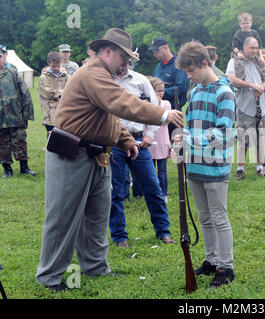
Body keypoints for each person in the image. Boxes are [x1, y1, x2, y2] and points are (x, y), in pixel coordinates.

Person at [35, 28, 183, 292]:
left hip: (95, 155)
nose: (127, 64)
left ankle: (95, 268)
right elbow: (120, 103)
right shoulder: (94, 73)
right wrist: (162, 115)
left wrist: (125, 140)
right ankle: (50, 277)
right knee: (63, 217)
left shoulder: (102, 75)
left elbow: (107, 117)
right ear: (107, 52)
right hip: (72, 154)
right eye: (123, 58)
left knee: (96, 216)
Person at [173, 41, 236, 288]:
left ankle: (226, 267)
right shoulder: (195, 91)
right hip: (195, 165)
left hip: (216, 165)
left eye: (192, 71)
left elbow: (223, 132)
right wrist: (180, 137)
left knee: (219, 217)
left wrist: (191, 141)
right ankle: (211, 260)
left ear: (205, 63)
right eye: (186, 73)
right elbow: (190, 125)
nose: (189, 76)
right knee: (204, 216)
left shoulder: (225, 93)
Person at [109, 64, 176, 249]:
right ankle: (119, 237)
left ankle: (163, 231)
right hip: (113, 141)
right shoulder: (105, 79)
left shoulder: (140, 80)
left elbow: (156, 108)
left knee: (152, 187)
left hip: (139, 140)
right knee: (115, 192)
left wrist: (150, 135)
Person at [226, 36, 265, 179]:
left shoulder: (260, 62)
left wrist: (261, 87)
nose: (254, 50)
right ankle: (240, 168)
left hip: (263, 106)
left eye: (256, 48)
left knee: (262, 137)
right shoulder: (234, 61)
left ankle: (260, 166)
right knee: (243, 139)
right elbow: (232, 79)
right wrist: (252, 86)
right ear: (244, 47)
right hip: (245, 106)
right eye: (252, 48)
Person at [0, 50, 36, 178]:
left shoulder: (12, 73)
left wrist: (26, 114)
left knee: (20, 141)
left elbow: (25, 93)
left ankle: (24, 167)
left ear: (3, 57)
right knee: (2, 144)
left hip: (15, 115)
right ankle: (7, 169)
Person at [150, 36, 190, 137]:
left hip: (174, 113)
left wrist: (159, 93)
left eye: (156, 50)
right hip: (158, 113)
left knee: (176, 148)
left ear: (165, 48)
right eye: (153, 51)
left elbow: (181, 88)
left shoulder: (179, 65)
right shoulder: (158, 67)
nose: (154, 54)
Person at [149, 76, 171, 202]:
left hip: (162, 141)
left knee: (162, 171)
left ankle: (164, 193)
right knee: (150, 171)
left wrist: (158, 104)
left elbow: (164, 120)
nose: (161, 93)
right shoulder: (146, 105)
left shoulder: (166, 104)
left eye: (162, 90)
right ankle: (153, 194)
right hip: (151, 141)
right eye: (158, 91)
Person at [38, 51, 69, 135]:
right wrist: (63, 93)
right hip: (50, 115)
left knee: (64, 138)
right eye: (53, 66)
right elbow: (50, 93)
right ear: (48, 63)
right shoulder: (43, 77)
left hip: (63, 114)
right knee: (51, 140)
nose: (56, 68)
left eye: (58, 66)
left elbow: (71, 90)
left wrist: (62, 94)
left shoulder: (65, 75)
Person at [231, 12, 265, 82]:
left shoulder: (254, 33)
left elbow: (259, 46)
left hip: (254, 51)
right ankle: (241, 77)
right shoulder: (238, 34)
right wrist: (238, 53)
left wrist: (261, 56)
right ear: (240, 25)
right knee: (239, 62)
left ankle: (264, 78)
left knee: (261, 63)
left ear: (251, 23)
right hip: (241, 51)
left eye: (247, 23)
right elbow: (234, 46)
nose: (245, 25)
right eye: (243, 23)